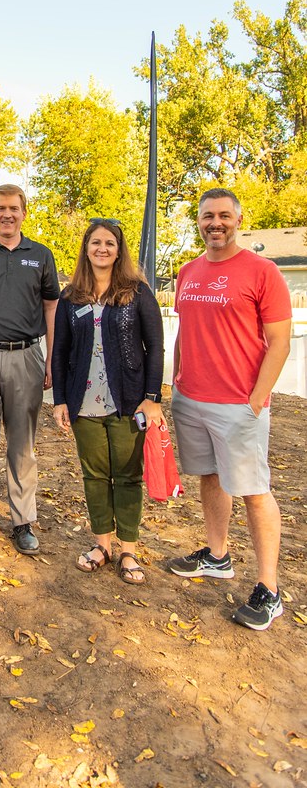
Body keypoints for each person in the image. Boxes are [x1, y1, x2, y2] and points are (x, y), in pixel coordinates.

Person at [169, 188, 292, 630]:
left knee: (255, 491)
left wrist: (257, 398)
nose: (215, 223)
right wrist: (177, 381)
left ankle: (269, 589)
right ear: (198, 221)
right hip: (192, 399)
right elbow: (184, 332)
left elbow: (279, 342)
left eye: (223, 215)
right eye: (207, 216)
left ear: (238, 219)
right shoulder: (188, 272)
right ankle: (217, 556)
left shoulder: (262, 271)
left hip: (239, 404)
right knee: (210, 477)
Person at [51, 219, 164, 584]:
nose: (102, 248)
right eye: (95, 242)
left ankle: (128, 549)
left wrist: (152, 399)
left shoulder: (137, 292)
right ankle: (102, 545)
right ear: (86, 248)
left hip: (129, 401)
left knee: (128, 476)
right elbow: (61, 350)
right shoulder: (71, 297)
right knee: (95, 475)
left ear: (119, 250)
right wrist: (60, 401)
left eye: (109, 243)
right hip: (83, 403)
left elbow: (156, 347)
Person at [0, 184, 60, 555]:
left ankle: (22, 520)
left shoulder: (41, 255)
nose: (7, 214)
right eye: (1, 208)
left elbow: (51, 308)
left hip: (27, 356)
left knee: (22, 444)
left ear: (24, 212)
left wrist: (51, 357)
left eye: (14, 208)